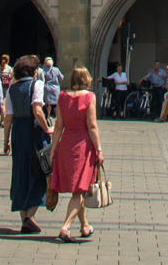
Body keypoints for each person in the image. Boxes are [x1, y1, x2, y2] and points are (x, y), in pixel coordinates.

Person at [48, 67, 103, 243]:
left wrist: (53, 149)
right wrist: (99, 149)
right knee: (79, 190)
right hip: (82, 146)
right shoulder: (89, 97)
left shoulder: (62, 96)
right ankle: (66, 227)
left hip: (66, 145)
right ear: (87, 79)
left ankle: (84, 225)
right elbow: (92, 126)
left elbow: (58, 125)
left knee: (78, 188)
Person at [6, 55, 53, 234]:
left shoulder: (11, 88)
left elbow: (8, 116)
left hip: (18, 131)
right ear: (34, 72)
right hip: (33, 131)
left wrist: (5, 141)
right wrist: (47, 128)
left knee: (20, 172)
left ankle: (24, 217)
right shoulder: (37, 85)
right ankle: (29, 217)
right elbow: (37, 109)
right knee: (39, 170)